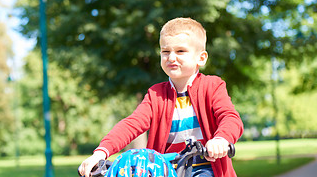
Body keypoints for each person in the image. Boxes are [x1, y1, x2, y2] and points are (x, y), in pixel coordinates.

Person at [78, 17, 243, 177]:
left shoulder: (212, 86)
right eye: (165, 51)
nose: (171, 57)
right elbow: (132, 124)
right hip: (164, 170)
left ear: (201, 58)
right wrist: (101, 152)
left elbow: (229, 117)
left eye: (180, 51)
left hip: (206, 167)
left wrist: (221, 139)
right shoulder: (156, 95)